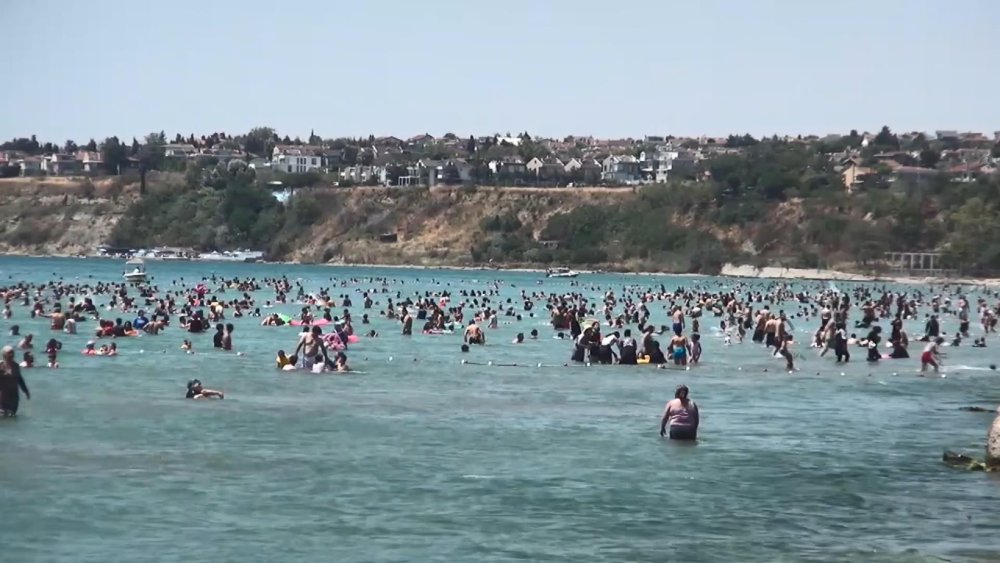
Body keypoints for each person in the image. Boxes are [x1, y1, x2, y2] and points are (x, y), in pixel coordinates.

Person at [0, 345, 31, 416]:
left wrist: (26, 391)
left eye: (12, 353)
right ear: (4, 354)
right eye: (9, 353)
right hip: (3, 396)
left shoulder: (16, 366)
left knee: (12, 415)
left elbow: (20, 380)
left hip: (14, 396)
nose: (11, 355)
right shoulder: (0, 365)